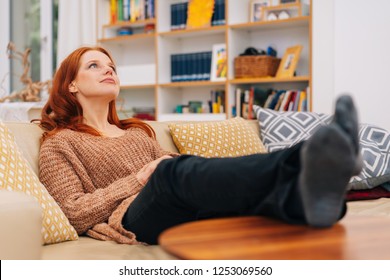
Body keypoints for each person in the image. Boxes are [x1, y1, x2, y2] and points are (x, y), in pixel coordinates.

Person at [37, 46, 362, 245]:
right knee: (169, 175)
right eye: (94, 65)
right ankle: (310, 156)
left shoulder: (138, 131)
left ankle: (310, 201)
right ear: (71, 84)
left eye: (111, 66)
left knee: (229, 199)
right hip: (131, 217)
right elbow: (73, 212)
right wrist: (140, 179)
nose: (108, 69)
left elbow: (173, 168)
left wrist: (165, 167)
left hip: (171, 202)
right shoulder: (59, 143)